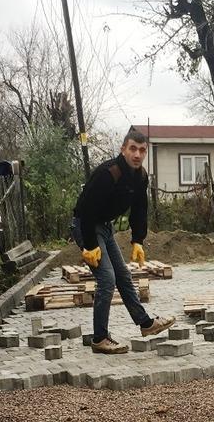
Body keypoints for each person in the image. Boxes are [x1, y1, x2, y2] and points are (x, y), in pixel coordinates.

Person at [72, 129, 175, 354]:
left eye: (142, 150)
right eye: (133, 149)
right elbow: (87, 210)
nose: (137, 155)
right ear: (123, 149)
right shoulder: (108, 173)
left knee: (123, 276)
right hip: (86, 225)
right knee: (107, 279)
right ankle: (99, 339)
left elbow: (140, 208)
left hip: (105, 227)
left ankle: (146, 324)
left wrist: (138, 239)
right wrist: (89, 244)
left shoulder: (141, 176)